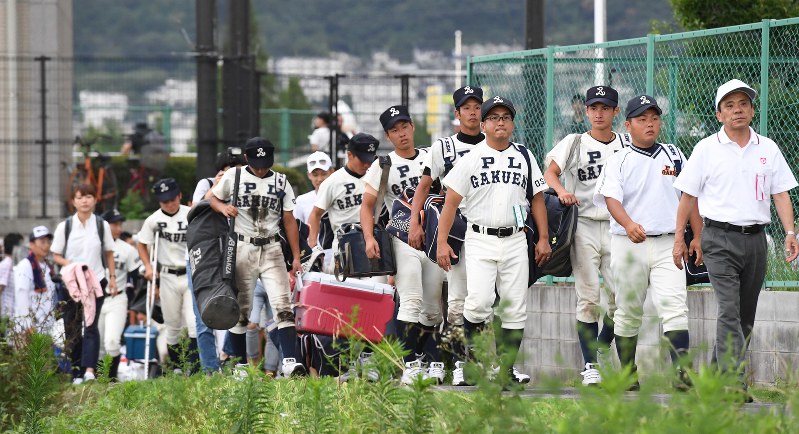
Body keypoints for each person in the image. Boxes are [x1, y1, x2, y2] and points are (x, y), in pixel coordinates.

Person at [672, 79, 799, 399]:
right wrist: (680, 239)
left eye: (743, 104)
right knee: (728, 310)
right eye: (729, 105)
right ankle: (733, 383)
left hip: (755, 240)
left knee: (744, 317)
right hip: (718, 238)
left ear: (752, 110)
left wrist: (790, 232)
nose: (737, 110)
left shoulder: (767, 148)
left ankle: (714, 380)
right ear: (719, 115)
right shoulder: (706, 149)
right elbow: (687, 197)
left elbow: (781, 193)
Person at [436, 96, 550, 386]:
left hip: (515, 238)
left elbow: (537, 199)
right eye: (494, 117)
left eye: (506, 117)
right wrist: (441, 242)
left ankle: (506, 369)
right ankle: (477, 361)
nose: (500, 122)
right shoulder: (471, 158)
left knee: (514, 307)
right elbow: (450, 203)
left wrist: (544, 239)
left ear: (512, 123)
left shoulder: (524, 155)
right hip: (479, 237)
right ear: (483, 124)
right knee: (478, 303)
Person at [593, 95, 699, 391]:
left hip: (669, 243)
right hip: (629, 244)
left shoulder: (675, 154)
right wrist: (628, 224)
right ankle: (628, 373)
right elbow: (611, 199)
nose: (649, 124)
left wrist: (697, 236)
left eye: (654, 118)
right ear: (628, 125)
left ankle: (682, 375)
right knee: (628, 311)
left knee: (675, 307)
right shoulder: (619, 159)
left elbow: (691, 197)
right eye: (642, 119)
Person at [543, 85, 627, 385]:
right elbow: (550, 173)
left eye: (605, 107)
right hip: (586, 225)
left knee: (623, 298)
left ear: (616, 112)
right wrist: (563, 190)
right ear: (587, 111)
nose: (599, 113)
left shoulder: (627, 143)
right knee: (589, 297)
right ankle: (590, 365)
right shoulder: (575, 142)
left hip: (619, 228)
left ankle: (601, 347)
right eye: (594, 108)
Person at [361, 105, 446, 384]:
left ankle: (429, 359)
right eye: (394, 130)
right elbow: (368, 205)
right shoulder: (383, 165)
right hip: (401, 238)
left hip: (432, 239)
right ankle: (410, 364)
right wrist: (369, 237)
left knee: (432, 308)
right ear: (388, 135)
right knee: (410, 301)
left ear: (412, 126)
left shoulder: (431, 156)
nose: (402, 133)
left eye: (404, 126)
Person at [209, 137, 306, 377]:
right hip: (243, 246)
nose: (261, 167)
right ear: (246, 159)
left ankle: (290, 362)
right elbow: (212, 197)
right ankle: (241, 364)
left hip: (272, 248)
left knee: (283, 304)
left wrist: (295, 257)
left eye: (265, 162)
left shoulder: (281, 181)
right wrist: (223, 208)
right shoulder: (235, 176)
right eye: (256, 162)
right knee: (242, 309)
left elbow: (289, 220)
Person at [407, 85, 485, 386]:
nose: (473, 112)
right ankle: (456, 362)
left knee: (485, 301)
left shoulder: (494, 143)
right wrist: (415, 223)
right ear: (457, 113)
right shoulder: (444, 147)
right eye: (467, 107)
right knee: (454, 303)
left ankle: (476, 360)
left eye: (477, 106)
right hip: (453, 228)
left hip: (487, 227)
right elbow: (425, 186)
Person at [189, 148, 248, 375]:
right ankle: (210, 370)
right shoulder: (206, 184)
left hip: (231, 253)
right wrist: (217, 188)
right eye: (229, 169)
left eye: (239, 169)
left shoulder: (247, 186)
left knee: (237, 310)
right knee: (204, 314)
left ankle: (227, 357)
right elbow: (194, 211)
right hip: (203, 256)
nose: (234, 173)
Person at [52, 183, 116, 384]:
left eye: (88, 196)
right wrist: (72, 265)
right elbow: (56, 255)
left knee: (91, 325)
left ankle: (89, 370)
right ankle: (76, 371)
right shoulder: (65, 226)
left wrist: (112, 278)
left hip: (95, 281)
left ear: (95, 200)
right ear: (73, 202)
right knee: (72, 326)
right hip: (71, 284)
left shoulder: (101, 225)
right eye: (80, 197)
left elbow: (108, 253)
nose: (84, 201)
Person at [137, 178, 198, 374]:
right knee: (172, 324)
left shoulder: (190, 214)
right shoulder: (153, 220)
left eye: (172, 199)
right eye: (165, 201)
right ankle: (176, 367)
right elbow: (142, 243)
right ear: (159, 202)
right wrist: (147, 266)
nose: (170, 204)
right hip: (167, 276)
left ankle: (196, 367)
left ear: (179, 196)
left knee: (194, 322)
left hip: (190, 273)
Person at [98, 209, 141, 381]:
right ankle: (99, 380)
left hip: (118, 298)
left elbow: (137, 274)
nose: (118, 227)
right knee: (99, 344)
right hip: (96, 299)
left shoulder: (127, 249)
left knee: (112, 341)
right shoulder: (95, 246)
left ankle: (112, 378)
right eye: (114, 224)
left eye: (119, 224)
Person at [12, 227, 57, 339]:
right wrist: (27, 325)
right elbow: (22, 295)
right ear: (31, 244)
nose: (46, 245)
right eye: (42, 242)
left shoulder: (48, 267)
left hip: (46, 326)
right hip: (29, 328)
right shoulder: (25, 265)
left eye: (48, 242)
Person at [294, 151, 335, 271]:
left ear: (332, 172)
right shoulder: (302, 200)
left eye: (324, 174)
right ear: (308, 175)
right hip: (312, 259)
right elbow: (297, 231)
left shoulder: (340, 196)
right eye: (315, 175)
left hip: (337, 255)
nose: (320, 179)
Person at [1, 233, 24, 321]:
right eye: (21, 245)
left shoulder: (17, 264)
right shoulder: (7, 264)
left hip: (16, 314)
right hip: (9, 315)